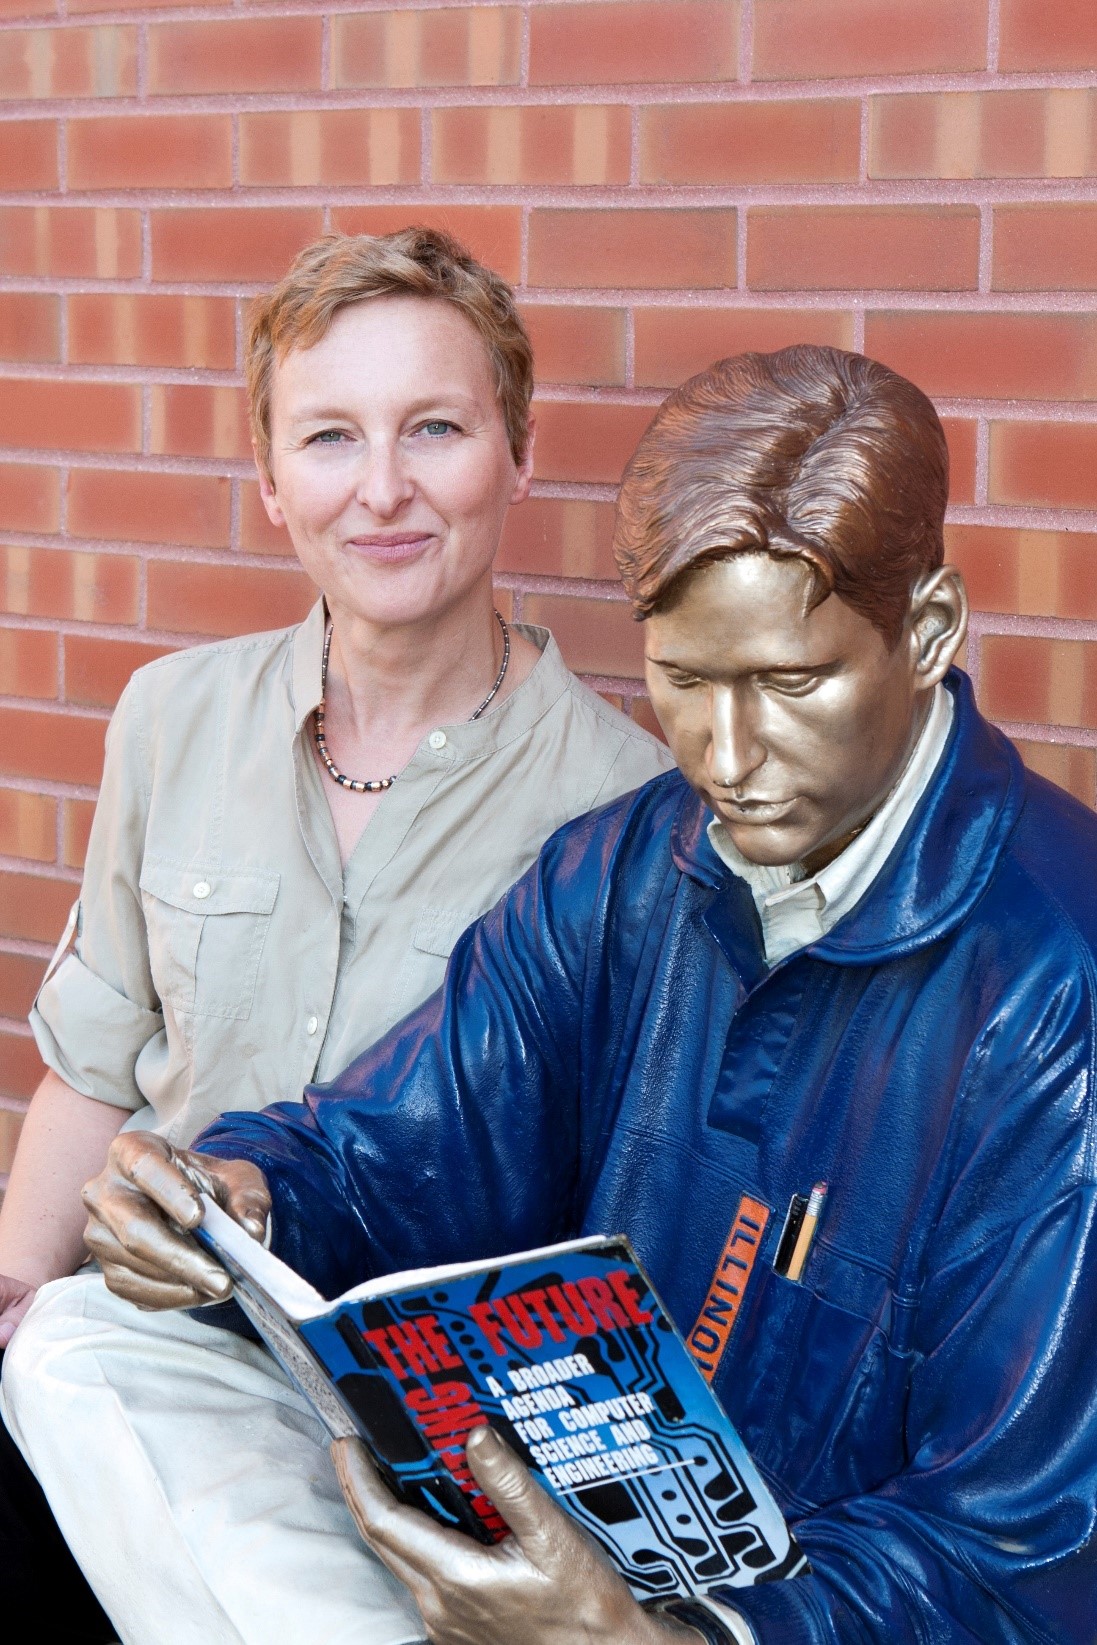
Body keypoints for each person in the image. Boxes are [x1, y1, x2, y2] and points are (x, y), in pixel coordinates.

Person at [6, 343, 1096, 1644]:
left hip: (779, 1619)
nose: (729, 756)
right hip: (548, 1525)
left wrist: (668, 1636)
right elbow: (397, 1141)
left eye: (790, 685)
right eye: (685, 683)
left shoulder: (1051, 984)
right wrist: (239, 1195)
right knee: (86, 1340)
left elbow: (1025, 1547)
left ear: (924, 632)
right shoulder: (633, 861)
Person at [0, 228, 671, 1638]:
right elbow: (97, 1068)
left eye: (433, 427)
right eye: (328, 437)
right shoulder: (169, 719)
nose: (381, 489)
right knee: (61, 1345)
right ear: (268, 475)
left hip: (444, 1420)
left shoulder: (626, 814)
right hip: (167, 1353)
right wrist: (15, 1292)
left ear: (516, 455)